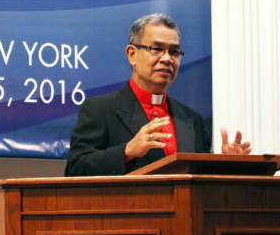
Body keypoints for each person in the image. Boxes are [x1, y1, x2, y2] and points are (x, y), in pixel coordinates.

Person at [65, 13, 251, 176]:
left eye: (174, 51)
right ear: (132, 54)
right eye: (156, 49)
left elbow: (197, 180)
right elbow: (75, 169)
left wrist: (229, 165)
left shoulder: (191, 119)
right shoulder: (100, 109)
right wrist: (127, 151)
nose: (167, 59)